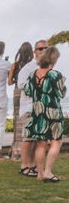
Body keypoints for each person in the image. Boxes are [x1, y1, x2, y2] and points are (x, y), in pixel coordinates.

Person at [23, 46, 66, 182]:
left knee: (41, 143)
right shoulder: (55, 74)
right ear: (54, 59)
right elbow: (61, 93)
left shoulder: (32, 74)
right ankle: (48, 172)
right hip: (53, 111)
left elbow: (28, 91)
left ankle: (39, 174)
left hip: (38, 112)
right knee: (56, 142)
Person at [16, 40, 48, 177]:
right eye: (40, 48)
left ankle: (33, 165)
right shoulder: (28, 68)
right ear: (35, 51)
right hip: (29, 107)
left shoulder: (47, 67)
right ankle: (24, 166)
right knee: (28, 138)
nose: (43, 50)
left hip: (41, 108)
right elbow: (20, 84)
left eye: (46, 48)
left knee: (37, 139)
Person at [8, 42, 34, 161]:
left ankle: (15, 151)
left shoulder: (15, 65)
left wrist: (15, 80)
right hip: (28, 93)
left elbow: (9, 82)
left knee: (17, 121)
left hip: (17, 93)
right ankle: (27, 152)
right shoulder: (32, 65)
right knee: (27, 121)